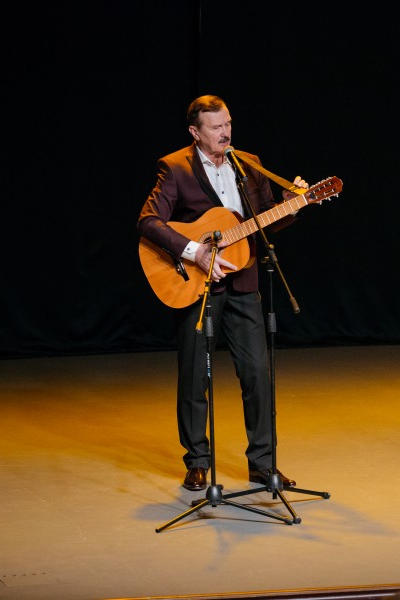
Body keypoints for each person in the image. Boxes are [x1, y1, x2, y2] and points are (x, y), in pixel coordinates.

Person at [138, 94, 307, 492]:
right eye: (216, 127)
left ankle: (263, 464)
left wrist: (291, 207)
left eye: (228, 123)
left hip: (244, 283)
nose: (225, 132)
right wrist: (194, 252)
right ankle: (197, 461)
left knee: (258, 374)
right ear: (195, 132)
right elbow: (148, 221)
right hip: (198, 286)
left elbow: (262, 222)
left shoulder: (249, 164)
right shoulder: (176, 167)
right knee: (194, 375)